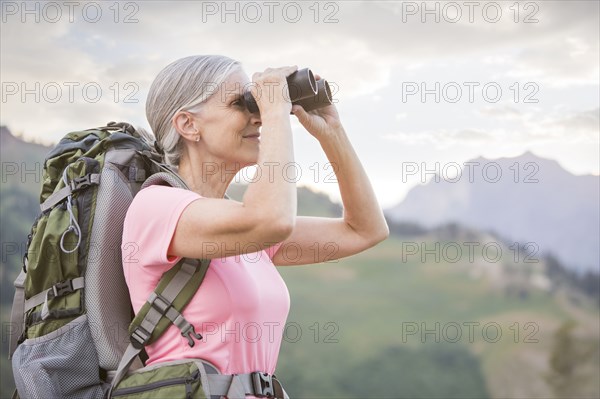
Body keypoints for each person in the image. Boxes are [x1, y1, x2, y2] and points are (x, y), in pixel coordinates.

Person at [121, 54, 389, 396]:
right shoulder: (157, 208)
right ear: (188, 125)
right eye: (241, 103)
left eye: (256, 103)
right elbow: (270, 220)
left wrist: (331, 132)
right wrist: (277, 112)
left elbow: (364, 230)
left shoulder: (240, 223)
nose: (258, 117)